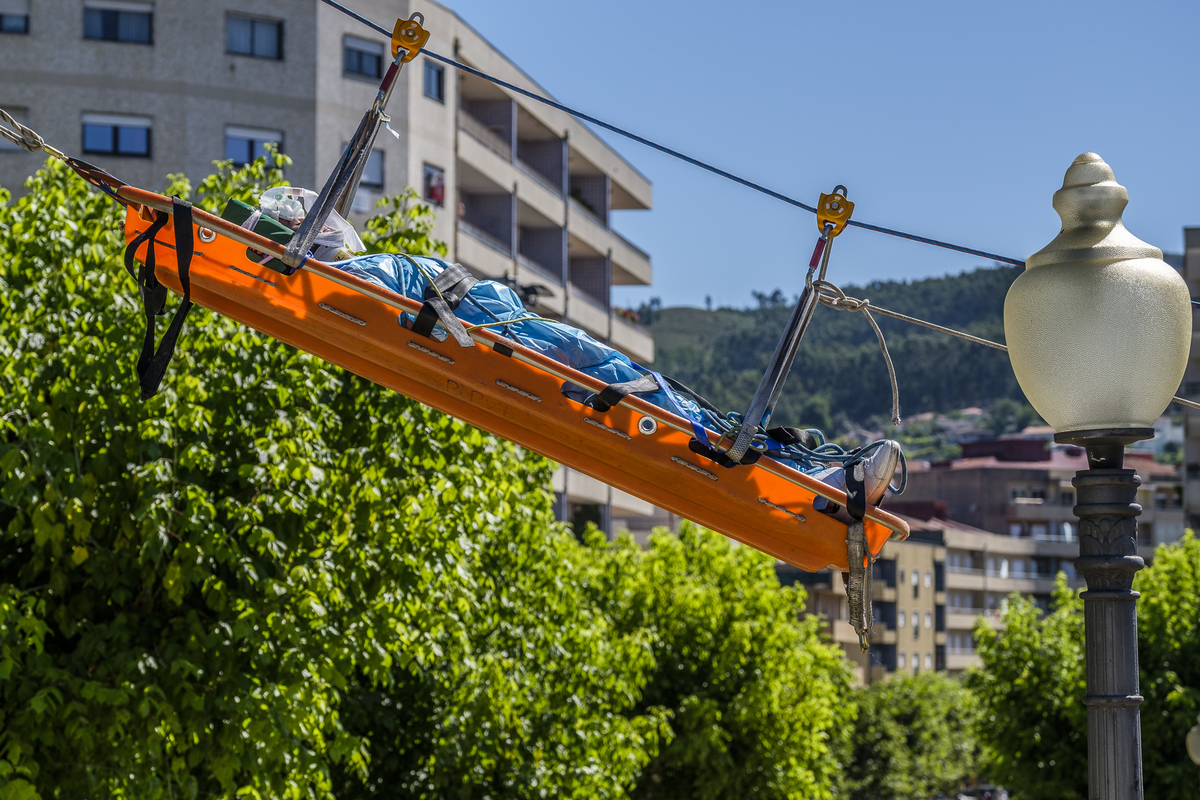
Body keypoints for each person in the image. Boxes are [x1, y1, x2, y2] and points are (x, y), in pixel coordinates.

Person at [334, 252, 904, 513]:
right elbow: (360, 284)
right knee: (639, 389)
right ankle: (810, 475)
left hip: (503, 323)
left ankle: (803, 469)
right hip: (502, 331)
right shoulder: (357, 271)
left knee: (640, 383)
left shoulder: (377, 265)